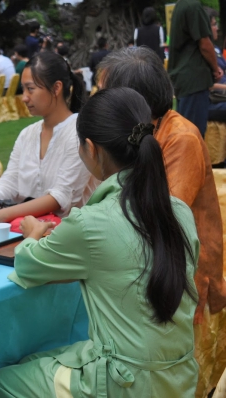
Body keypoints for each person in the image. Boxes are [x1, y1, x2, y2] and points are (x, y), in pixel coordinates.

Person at [0, 86, 198, 398]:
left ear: (90, 148)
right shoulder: (179, 211)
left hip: (123, 381)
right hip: (178, 373)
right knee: (34, 360)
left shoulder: (91, 222)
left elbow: (28, 265)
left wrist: (30, 234)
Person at [97, 46, 226, 322]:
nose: (96, 102)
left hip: (182, 283)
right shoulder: (135, 135)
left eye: (103, 94)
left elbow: (159, 217)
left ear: (130, 101)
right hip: (143, 268)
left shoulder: (181, 138)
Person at [0, 51, 93, 231]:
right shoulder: (27, 134)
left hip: (64, 229)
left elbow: (59, 197)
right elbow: (10, 181)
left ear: (56, 88)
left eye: (30, 89)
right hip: (23, 222)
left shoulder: (78, 133)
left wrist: (5, 214)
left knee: (8, 225)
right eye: (23, 89)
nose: (24, 97)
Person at [168, 0, 222, 137]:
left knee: (186, 134)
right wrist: (216, 69)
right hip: (194, 81)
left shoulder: (181, 5)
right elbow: (204, 43)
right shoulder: (193, 6)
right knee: (193, 136)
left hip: (184, 81)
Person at [207, 9, 226, 122]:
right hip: (216, 99)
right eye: (214, 25)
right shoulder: (202, 54)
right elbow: (207, 86)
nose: (217, 28)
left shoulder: (216, 49)